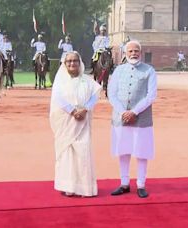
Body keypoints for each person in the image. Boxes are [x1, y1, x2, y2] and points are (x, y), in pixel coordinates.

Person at [107, 40, 157, 198]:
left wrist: (134, 112)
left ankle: (141, 184)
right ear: (125, 53)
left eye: (136, 51)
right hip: (120, 118)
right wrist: (124, 112)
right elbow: (112, 94)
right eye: (130, 51)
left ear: (140, 53)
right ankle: (124, 183)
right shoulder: (118, 71)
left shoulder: (149, 70)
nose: (134, 53)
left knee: (141, 152)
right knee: (123, 150)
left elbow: (151, 96)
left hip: (141, 118)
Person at [50, 51, 102, 197]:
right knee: (67, 154)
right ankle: (68, 186)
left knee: (83, 152)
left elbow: (95, 94)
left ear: (80, 63)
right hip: (66, 122)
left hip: (82, 122)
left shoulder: (87, 80)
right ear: (64, 64)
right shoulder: (60, 81)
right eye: (69, 61)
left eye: (75, 61)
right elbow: (58, 99)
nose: (72, 64)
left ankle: (84, 188)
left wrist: (85, 110)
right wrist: (73, 111)